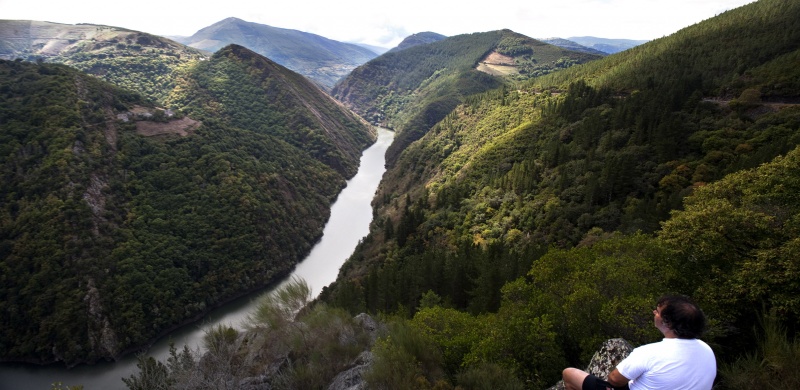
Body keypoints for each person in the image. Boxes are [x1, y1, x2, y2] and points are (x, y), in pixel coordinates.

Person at [562, 295, 716, 390]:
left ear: (668, 323)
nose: (654, 313)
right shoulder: (707, 350)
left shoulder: (650, 352)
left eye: (657, 311)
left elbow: (614, 380)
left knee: (569, 374)